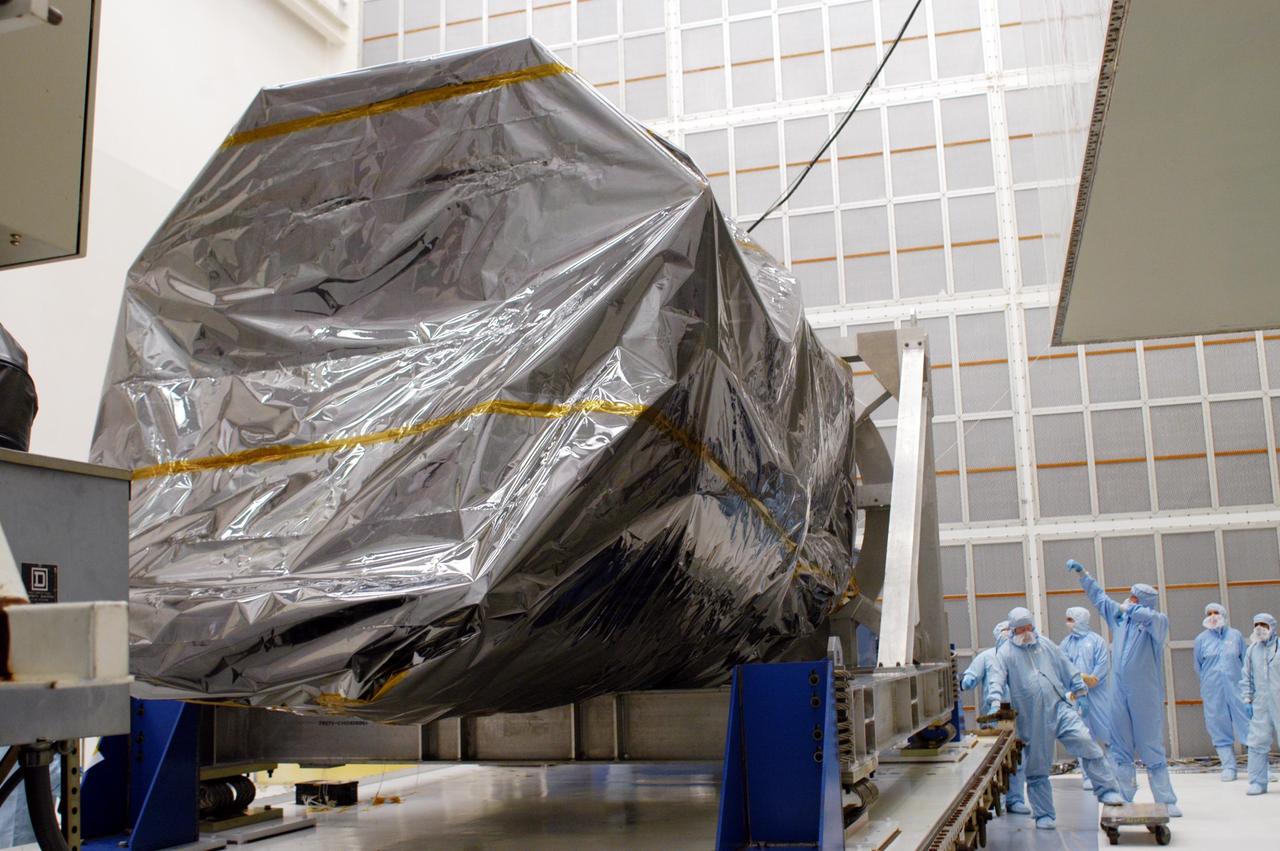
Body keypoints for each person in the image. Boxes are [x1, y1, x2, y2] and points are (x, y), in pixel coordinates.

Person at [985, 607, 1125, 830]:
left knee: (1085, 742)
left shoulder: (1046, 646)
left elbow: (1066, 666)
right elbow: (996, 678)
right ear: (1012, 630)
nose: (1026, 632)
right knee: (1037, 766)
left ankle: (1107, 790)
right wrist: (994, 700)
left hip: (1060, 708)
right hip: (1032, 717)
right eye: (1020, 628)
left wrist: (1079, 689)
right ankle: (1043, 814)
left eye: (1028, 626)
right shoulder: (1006, 654)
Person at [1066, 559, 1181, 816]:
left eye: (1134, 597)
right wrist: (1084, 575)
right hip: (1118, 694)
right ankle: (1123, 795)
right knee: (1119, 746)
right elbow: (1100, 598)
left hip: (1145, 695)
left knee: (1150, 745)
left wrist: (1130, 609)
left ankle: (1167, 799)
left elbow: (1149, 616)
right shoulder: (1120, 620)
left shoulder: (1156, 623)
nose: (1128, 600)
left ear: (1144, 601)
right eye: (1129, 596)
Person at [960, 621, 1030, 814]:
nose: (1008, 633)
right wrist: (965, 681)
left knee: (1017, 758)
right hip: (992, 719)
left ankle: (1015, 800)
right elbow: (971, 676)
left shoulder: (1022, 657)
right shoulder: (987, 656)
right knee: (989, 760)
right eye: (1005, 630)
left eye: (1011, 630)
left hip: (1018, 717)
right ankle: (991, 799)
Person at [1194, 602, 1250, 781]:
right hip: (1213, 691)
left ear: (1223, 614)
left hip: (1237, 688)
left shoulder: (1235, 636)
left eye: (1215, 612)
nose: (1212, 616)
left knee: (1248, 725)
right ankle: (1229, 767)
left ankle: (1259, 768)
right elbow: (1198, 666)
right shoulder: (1201, 640)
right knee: (1218, 726)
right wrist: (1208, 685)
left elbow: (1245, 661)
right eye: (1209, 613)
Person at [1060, 606, 1114, 790]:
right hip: (1078, 697)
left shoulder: (1097, 641)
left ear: (1080, 620)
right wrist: (1076, 685)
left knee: (1108, 734)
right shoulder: (1066, 644)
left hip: (1098, 695)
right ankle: (1088, 776)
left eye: (1071, 619)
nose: (1068, 623)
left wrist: (1092, 679)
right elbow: (1062, 666)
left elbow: (1102, 665)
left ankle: (1113, 771)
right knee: (1084, 737)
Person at [1240, 612, 1280, 795]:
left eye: (1264, 624)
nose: (1259, 628)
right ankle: (1257, 781)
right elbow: (1246, 677)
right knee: (1257, 741)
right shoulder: (1252, 650)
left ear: (1272, 627)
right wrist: (1247, 699)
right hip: (1260, 703)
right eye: (1257, 624)